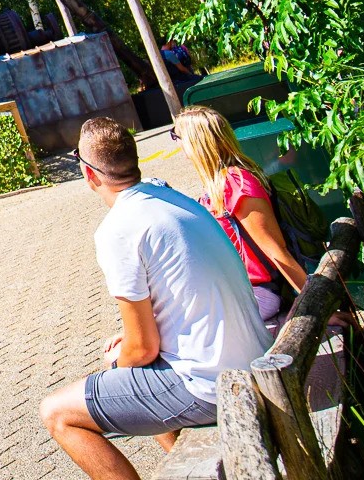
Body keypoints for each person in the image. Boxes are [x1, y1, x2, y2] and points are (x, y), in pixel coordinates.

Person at [41, 118, 271, 480]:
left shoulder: (118, 229)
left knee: (57, 413)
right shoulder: (172, 197)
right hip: (255, 359)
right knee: (133, 376)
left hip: (213, 385)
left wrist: (119, 363)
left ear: (88, 173)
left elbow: (144, 349)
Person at [173, 106, 310, 322]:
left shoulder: (236, 182)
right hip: (240, 289)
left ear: (195, 142)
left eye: (176, 136)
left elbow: (275, 248)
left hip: (258, 293)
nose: (177, 143)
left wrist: (312, 304)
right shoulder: (219, 182)